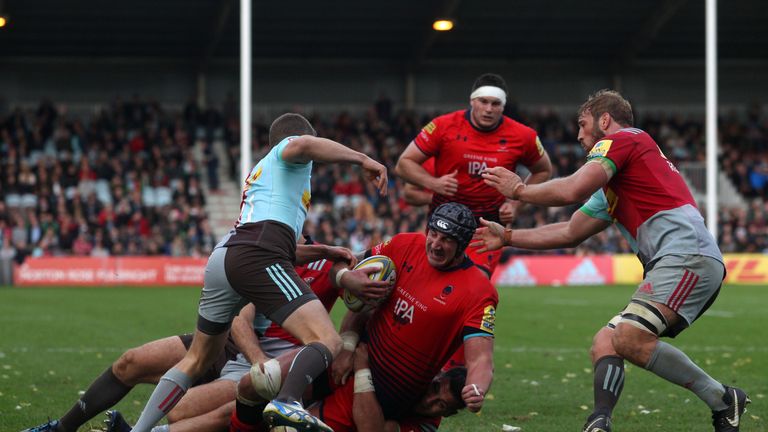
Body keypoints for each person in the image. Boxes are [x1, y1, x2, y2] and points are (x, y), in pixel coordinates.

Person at [472, 89, 751, 432]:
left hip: (685, 256)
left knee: (629, 337)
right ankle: (599, 422)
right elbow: (571, 231)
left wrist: (519, 191)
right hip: (677, 259)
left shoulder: (625, 138)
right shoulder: (619, 183)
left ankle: (723, 399)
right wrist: (509, 237)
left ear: (604, 121)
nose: (578, 135)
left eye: (583, 124)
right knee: (607, 340)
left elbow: (572, 189)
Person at [127, 113, 389, 432]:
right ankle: (288, 402)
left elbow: (325, 267)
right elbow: (305, 144)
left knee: (195, 363)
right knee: (327, 340)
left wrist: (327, 254)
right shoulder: (289, 153)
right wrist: (363, 160)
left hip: (228, 259)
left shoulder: (270, 184)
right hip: (255, 285)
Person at [21, 236, 367, 432]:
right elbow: (239, 320)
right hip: (231, 345)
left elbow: (350, 280)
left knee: (180, 411)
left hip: (270, 360)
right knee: (132, 361)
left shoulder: (324, 263)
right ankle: (61, 429)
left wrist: (349, 334)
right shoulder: (258, 257)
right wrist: (256, 359)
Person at [325, 202, 497, 429]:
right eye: (433, 234)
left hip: (390, 394)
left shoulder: (479, 291)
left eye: (446, 240)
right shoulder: (404, 244)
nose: (435, 244)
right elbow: (343, 265)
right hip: (352, 359)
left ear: (462, 245)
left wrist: (477, 388)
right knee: (274, 390)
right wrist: (347, 279)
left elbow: (480, 357)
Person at [395, 72, 552, 276]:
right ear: (472, 101)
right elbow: (403, 164)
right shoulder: (443, 126)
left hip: (488, 224)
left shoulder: (523, 136)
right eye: (483, 101)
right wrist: (433, 183)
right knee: (434, 281)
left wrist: (516, 203)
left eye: (495, 104)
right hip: (444, 220)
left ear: (503, 106)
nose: (488, 109)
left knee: (477, 282)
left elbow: (544, 170)